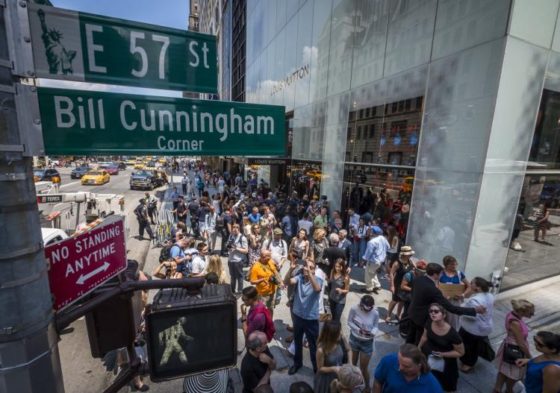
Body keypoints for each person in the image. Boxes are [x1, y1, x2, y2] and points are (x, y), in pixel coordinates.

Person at [406, 263, 485, 346]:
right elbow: (452, 308)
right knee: (419, 340)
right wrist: (474, 310)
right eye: (441, 273)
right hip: (421, 319)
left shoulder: (419, 279)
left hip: (412, 313)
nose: (441, 275)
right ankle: (413, 355)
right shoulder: (433, 290)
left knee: (410, 336)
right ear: (435, 274)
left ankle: (405, 351)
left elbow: (416, 294)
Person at [284, 257, 323, 375]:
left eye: (311, 267)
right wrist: (290, 270)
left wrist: (310, 273)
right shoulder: (299, 278)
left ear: (315, 270)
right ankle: (297, 363)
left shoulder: (318, 280)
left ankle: (316, 368)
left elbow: (317, 289)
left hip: (311, 319)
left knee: (313, 345)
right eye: (306, 266)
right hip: (298, 316)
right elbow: (287, 282)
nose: (307, 269)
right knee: (297, 341)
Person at [418, 303, 464, 392]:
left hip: (446, 362)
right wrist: (419, 347)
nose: (432, 313)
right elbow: (424, 336)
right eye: (431, 311)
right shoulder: (429, 322)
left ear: (444, 315)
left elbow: (460, 352)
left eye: (436, 311)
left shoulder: (453, 334)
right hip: (429, 356)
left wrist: (443, 354)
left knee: (445, 384)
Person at [494, 299, 535, 393]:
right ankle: (509, 390)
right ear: (521, 311)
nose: (532, 314)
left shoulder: (511, 314)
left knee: (504, 370)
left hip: (509, 347)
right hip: (515, 351)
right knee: (515, 374)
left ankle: (497, 389)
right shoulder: (515, 322)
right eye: (530, 312)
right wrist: (529, 357)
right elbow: (521, 343)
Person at [372, 343, 443, 393]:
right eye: (399, 362)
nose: (400, 368)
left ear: (419, 366)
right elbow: (378, 381)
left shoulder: (433, 387)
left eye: (406, 366)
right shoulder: (389, 361)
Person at [458, 277, 495, 372]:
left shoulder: (475, 300)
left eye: (472, 283)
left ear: (478, 288)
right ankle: (468, 362)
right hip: (484, 327)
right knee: (475, 347)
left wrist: (461, 304)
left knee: (468, 346)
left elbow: (470, 314)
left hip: (472, 328)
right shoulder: (490, 295)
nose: (470, 284)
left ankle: (468, 364)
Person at [347, 295, 379, 392]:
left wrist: (372, 333)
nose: (367, 311)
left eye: (369, 309)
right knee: (352, 365)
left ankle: (367, 386)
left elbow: (375, 326)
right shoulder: (354, 309)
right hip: (354, 339)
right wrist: (358, 330)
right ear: (361, 305)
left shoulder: (375, 313)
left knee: (363, 368)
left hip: (367, 342)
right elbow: (349, 322)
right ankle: (351, 384)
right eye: (365, 309)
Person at [314, 320, 351, 393]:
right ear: (332, 335)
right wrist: (334, 369)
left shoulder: (341, 340)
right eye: (339, 332)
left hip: (339, 375)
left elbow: (349, 349)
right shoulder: (321, 350)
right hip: (326, 379)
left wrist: (350, 362)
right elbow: (320, 368)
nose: (341, 333)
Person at [439, 255, 470, 330]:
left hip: (455, 301)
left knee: (454, 322)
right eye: (452, 264)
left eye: (455, 264)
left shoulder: (459, 274)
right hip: (443, 300)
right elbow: (436, 285)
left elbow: (469, 286)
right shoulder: (441, 273)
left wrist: (463, 295)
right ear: (446, 265)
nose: (454, 266)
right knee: (441, 319)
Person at [385, 245, 415, 323]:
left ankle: (398, 314)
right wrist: (392, 285)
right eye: (409, 254)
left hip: (406, 283)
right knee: (395, 300)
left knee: (402, 300)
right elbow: (391, 273)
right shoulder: (397, 263)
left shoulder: (410, 261)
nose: (411, 255)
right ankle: (388, 315)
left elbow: (413, 269)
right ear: (404, 254)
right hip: (398, 283)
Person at [249, 250, 282, 316]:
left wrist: (280, 281)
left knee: (270, 309)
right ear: (262, 257)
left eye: (270, 256)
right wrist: (262, 280)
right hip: (262, 294)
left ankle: (270, 323)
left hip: (272, 292)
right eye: (268, 257)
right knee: (261, 310)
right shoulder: (256, 267)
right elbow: (252, 281)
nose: (270, 258)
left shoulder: (270, 261)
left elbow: (275, 271)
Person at [361, 226, 389, 294]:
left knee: (368, 274)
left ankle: (369, 288)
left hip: (373, 261)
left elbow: (368, 253)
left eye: (371, 231)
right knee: (373, 273)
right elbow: (388, 247)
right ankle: (377, 285)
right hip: (380, 260)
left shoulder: (372, 242)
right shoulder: (383, 238)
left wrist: (363, 261)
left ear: (373, 233)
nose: (370, 232)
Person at [227, 224, 249, 294]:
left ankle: (240, 291)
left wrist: (236, 248)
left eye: (237, 227)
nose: (235, 229)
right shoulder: (231, 236)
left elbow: (246, 251)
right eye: (233, 227)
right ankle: (232, 290)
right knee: (232, 277)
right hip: (230, 260)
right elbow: (228, 245)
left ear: (239, 229)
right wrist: (228, 247)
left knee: (240, 277)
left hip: (238, 261)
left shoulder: (242, 238)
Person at [328, 258, 350, 322]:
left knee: (337, 319)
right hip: (332, 298)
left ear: (343, 267)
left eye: (339, 267)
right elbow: (331, 281)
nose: (337, 268)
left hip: (340, 301)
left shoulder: (345, 277)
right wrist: (327, 279)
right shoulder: (332, 271)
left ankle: (336, 330)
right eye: (336, 266)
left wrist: (341, 290)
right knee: (333, 317)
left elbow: (347, 290)